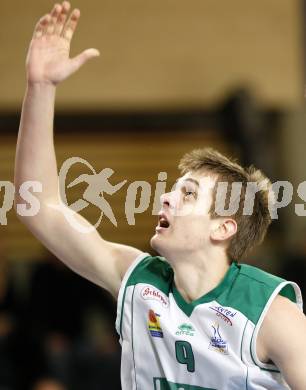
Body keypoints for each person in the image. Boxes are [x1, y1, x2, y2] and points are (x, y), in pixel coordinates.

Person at [14, 2, 306, 389]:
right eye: (172, 190)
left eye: (188, 194)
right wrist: (40, 89)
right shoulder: (136, 281)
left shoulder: (273, 314)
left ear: (223, 227)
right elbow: (39, 207)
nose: (165, 199)